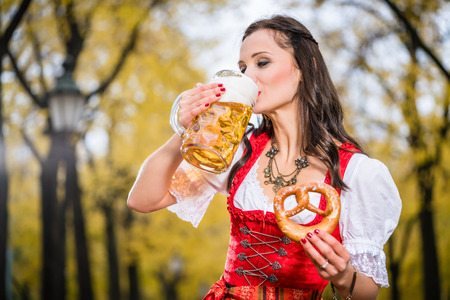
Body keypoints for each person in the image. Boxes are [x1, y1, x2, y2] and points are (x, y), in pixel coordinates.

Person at [128, 15, 402, 300]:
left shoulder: (357, 172)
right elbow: (142, 200)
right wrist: (187, 129)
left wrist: (343, 276)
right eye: (243, 68)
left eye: (262, 62)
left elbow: (366, 294)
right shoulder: (237, 150)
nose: (248, 77)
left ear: (306, 67)